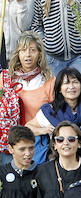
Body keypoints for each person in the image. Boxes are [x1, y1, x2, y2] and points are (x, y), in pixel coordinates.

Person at [2, 32, 55, 164]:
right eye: (23, 50)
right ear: (17, 54)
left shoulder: (49, 81)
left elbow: (53, 114)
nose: (28, 55)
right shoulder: (6, 79)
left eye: (32, 50)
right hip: (9, 141)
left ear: (40, 54)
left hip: (36, 141)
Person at [24, 68, 81, 148]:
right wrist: (43, 130)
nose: (71, 87)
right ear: (59, 88)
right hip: (58, 158)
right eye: (66, 83)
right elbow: (27, 128)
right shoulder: (50, 111)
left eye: (75, 82)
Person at [30, 0, 81, 81]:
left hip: (80, 57)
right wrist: (44, 42)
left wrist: (74, 5)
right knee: (55, 92)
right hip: (52, 59)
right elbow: (36, 25)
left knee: (78, 91)